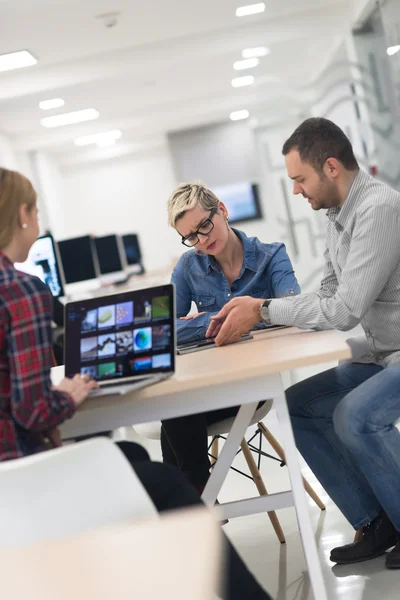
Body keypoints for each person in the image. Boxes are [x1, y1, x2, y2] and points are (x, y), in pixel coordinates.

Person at [0, 167, 272, 600]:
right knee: (166, 483)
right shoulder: (21, 290)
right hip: (23, 483)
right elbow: (34, 411)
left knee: (124, 451)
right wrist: (65, 396)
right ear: (23, 214)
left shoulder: (262, 254)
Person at [206, 118, 400, 567]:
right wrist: (262, 312)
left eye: (299, 179)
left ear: (331, 167)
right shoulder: (338, 217)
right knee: (296, 406)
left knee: (357, 414)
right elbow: (330, 293)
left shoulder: (379, 210)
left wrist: (265, 309)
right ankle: (376, 522)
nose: (296, 191)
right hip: (382, 353)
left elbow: (343, 310)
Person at [162, 182, 299, 492]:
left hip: (256, 384)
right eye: (191, 236)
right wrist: (230, 317)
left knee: (174, 414)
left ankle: (194, 504)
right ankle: (196, 504)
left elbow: (293, 312)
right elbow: (163, 329)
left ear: (222, 210)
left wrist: (249, 314)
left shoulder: (271, 256)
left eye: (205, 226)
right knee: (174, 408)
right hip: (209, 383)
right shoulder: (188, 266)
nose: (202, 240)